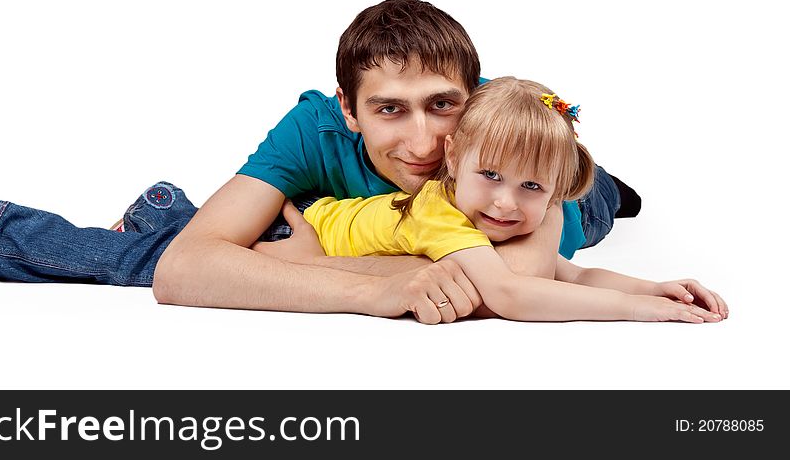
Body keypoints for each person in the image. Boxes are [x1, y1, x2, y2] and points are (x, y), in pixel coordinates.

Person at [0, 0, 642, 324]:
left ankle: (609, 185)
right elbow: (185, 270)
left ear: (476, 96)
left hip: (590, 196)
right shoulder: (314, 124)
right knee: (226, 248)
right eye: (389, 110)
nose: (428, 144)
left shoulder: (512, 150)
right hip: (378, 227)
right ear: (347, 109)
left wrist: (305, 266)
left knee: (603, 196)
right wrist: (376, 290)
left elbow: (505, 286)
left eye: (443, 105)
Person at [286, 77, 727, 323]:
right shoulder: (437, 211)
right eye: (491, 176)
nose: (505, 204)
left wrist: (656, 288)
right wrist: (639, 309)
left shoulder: (483, 209)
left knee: (600, 201)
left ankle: (604, 190)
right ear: (453, 157)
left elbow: (572, 275)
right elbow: (510, 295)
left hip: (578, 193)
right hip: (302, 222)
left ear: (555, 195)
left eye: (531, 187)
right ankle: (606, 190)